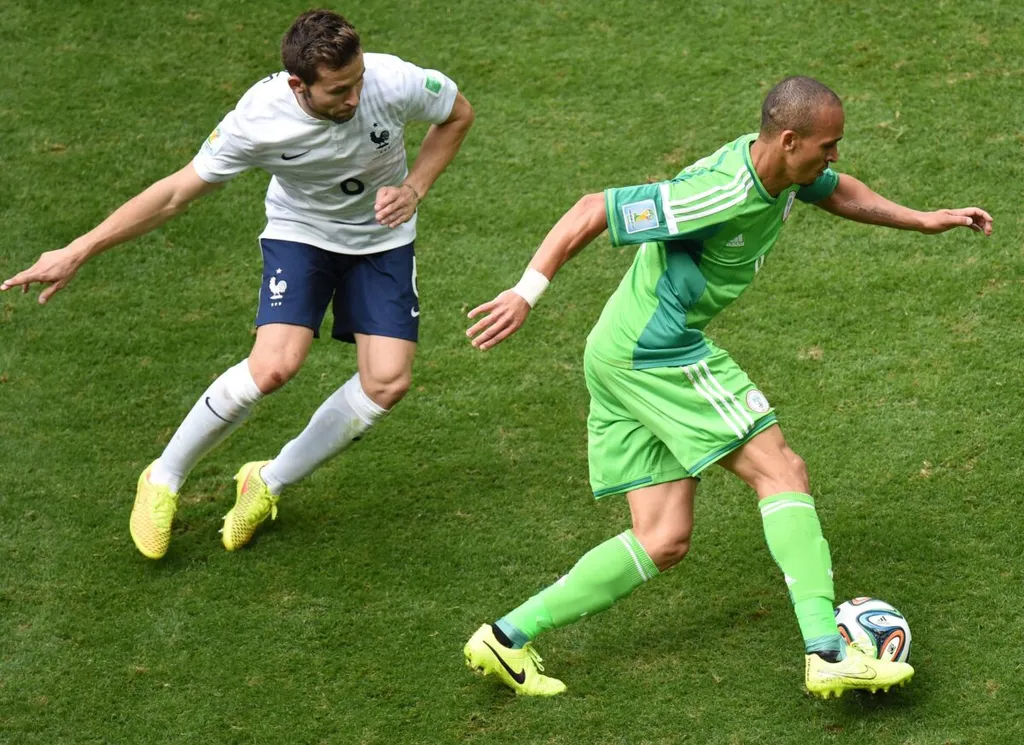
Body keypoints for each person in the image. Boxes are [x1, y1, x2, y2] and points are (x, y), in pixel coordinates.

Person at [461, 76, 991, 699]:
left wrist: (923, 220)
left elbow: (836, 190)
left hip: (613, 353)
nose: (834, 156)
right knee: (782, 470)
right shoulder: (717, 195)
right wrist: (527, 292)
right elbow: (591, 209)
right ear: (789, 140)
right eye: (827, 145)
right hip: (656, 349)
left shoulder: (781, 167)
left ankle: (505, 636)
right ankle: (827, 651)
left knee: (662, 539)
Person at [1, 9, 474, 560]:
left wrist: (415, 186)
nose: (354, 98)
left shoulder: (392, 79)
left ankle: (267, 481)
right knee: (275, 366)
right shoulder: (259, 119)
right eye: (339, 90)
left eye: (358, 80)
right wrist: (79, 249)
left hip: (382, 239)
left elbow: (457, 114)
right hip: (303, 233)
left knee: (387, 383)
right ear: (299, 84)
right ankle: (164, 478)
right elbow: (177, 193)